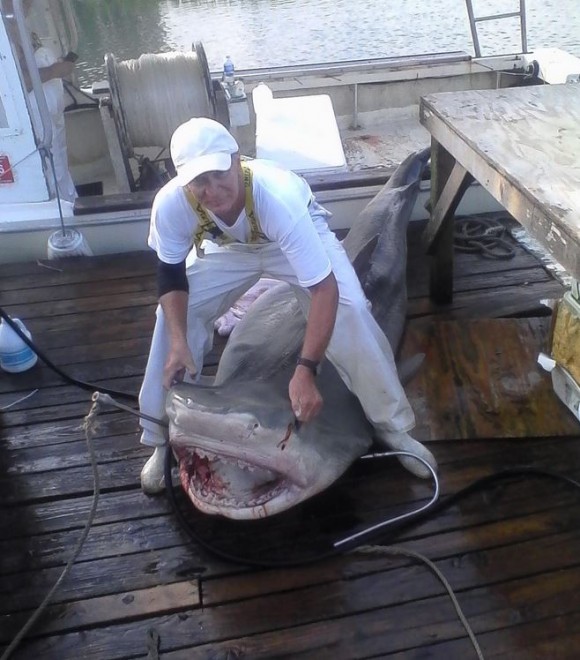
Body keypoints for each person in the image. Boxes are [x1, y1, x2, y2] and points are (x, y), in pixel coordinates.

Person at [138, 117, 437, 494]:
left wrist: (306, 369)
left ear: (236, 160)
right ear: (183, 181)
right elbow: (170, 276)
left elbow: (324, 290)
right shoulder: (171, 205)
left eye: (219, 173)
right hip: (228, 250)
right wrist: (180, 342)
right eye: (199, 182)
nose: (213, 190)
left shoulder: (275, 194)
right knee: (168, 321)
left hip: (291, 236)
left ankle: (393, 428)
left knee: (352, 311)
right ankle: (161, 437)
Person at [3, 0, 77, 202]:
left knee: (60, 162)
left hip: (51, 114)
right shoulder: (4, 34)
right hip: (34, 119)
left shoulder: (19, 27)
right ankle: (57, 209)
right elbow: (16, 81)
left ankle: (69, 202)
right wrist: (55, 71)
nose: (30, 3)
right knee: (49, 168)